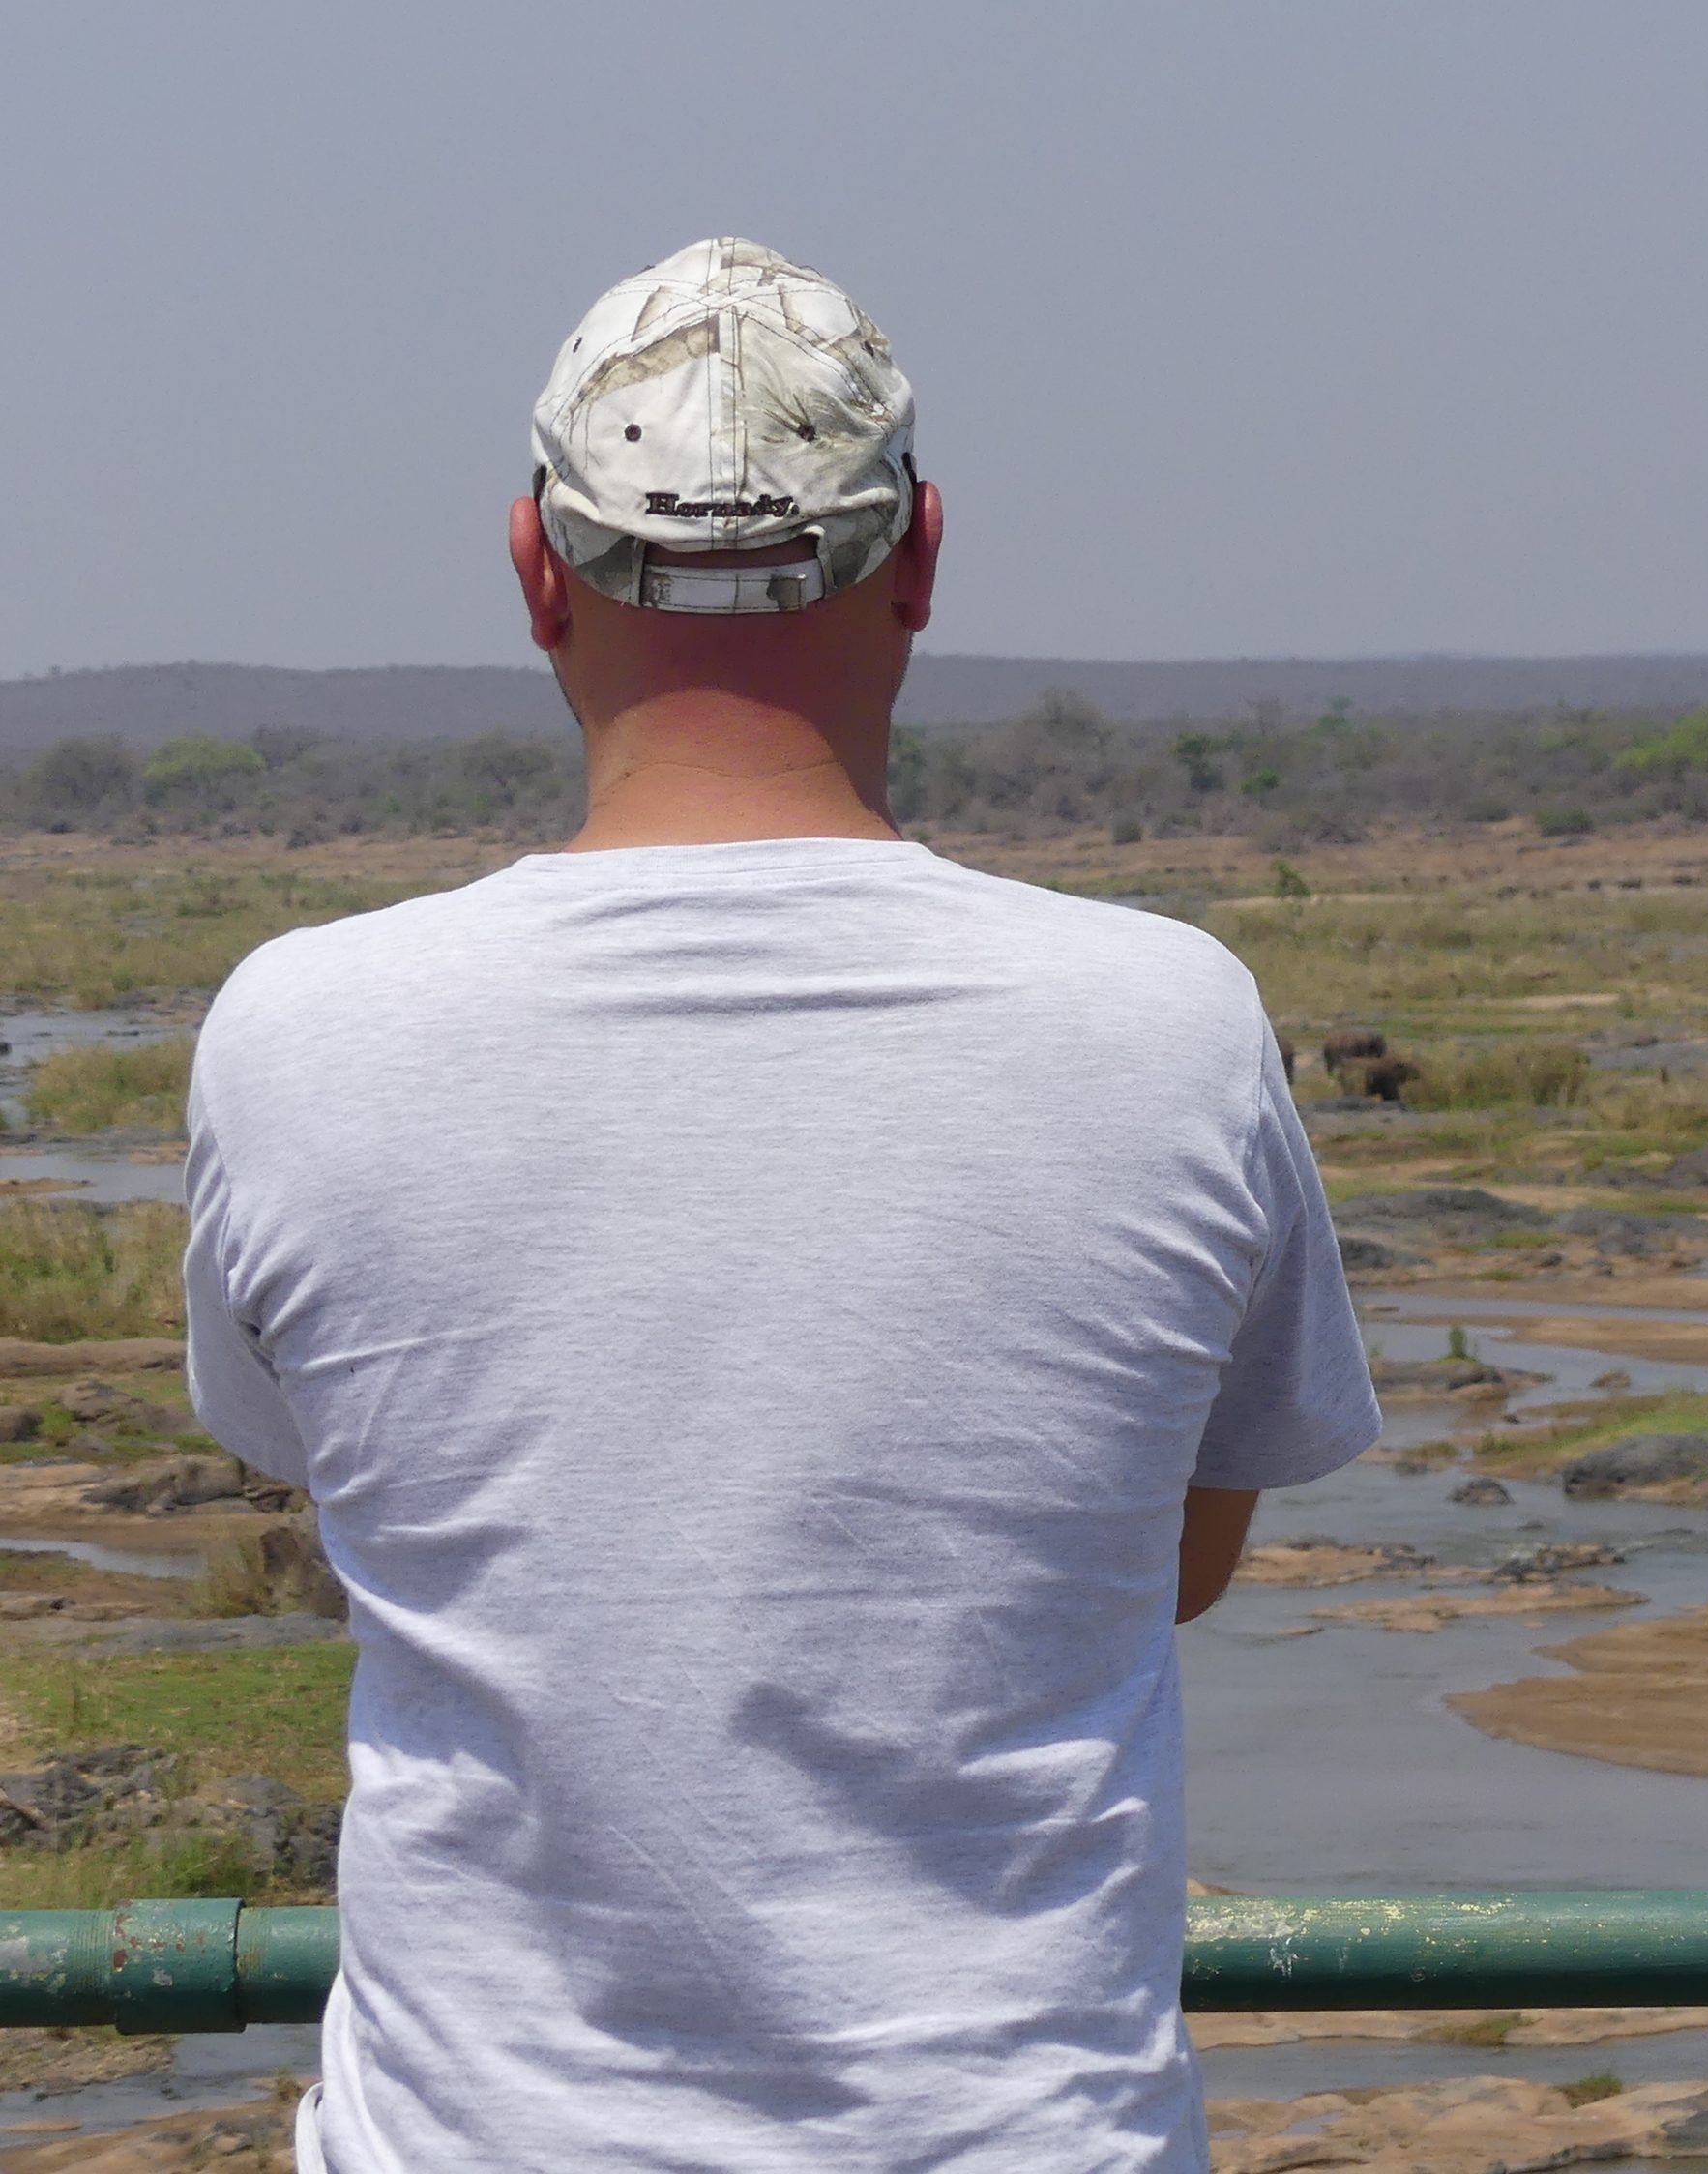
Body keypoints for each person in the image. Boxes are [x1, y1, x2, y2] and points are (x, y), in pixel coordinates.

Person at [180, 238, 1379, 2172]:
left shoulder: (302, 1032)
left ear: (531, 568)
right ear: (918, 557)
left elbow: (362, 1509)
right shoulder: (1170, 1023)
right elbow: (1166, 1556)